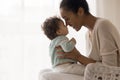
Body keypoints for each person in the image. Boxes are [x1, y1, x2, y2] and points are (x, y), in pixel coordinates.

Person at [59, 0, 120, 79]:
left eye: (67, 19)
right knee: (47, 72)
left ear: (80, 11)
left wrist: (78, 57)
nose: (66, 24)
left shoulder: (102, 26)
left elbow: (110, 69)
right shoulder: (88, 34)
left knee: (48, 76)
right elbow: (95, 66)